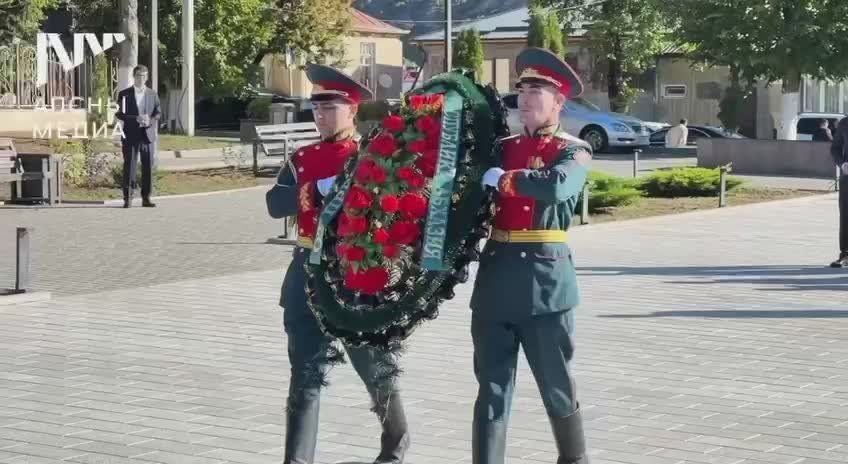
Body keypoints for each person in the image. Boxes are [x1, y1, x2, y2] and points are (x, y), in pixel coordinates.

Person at [265, 64, 410, 464]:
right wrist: (315, 189)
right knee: (305, 375)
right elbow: (274, 203)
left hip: (353, 273)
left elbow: (390, 214)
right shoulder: (304, 157)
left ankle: (396, 439)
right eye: (317, 107)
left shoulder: (371, 159)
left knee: (372, 364)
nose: (321, 115)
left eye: (331, 108)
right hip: (305, 270)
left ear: (352, 110)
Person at [473, 47, 592, 464]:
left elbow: (557, 186)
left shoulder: (573, 150)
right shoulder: (500, 147)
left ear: (559, 101)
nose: (525, 98)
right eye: (522, 90)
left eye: (537, 90)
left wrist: (505, 180)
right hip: (495, 278)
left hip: (545, 285)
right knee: (491, 387)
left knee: (555, 382)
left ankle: (574, 458)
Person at [115, 65, 160, 208]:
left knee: (147, 167)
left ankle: (146, 198)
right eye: (139, 75)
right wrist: (135, 118)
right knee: (130, 167)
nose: (142, 78)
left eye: (145, 75)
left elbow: (158, 113)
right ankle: (127, 198)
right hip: (130, 134)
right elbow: (119, 113)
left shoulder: (152, 94)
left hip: (147, 135)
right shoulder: (124, 94)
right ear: (134, 76)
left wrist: (150, 120)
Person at [829, 117, 848, 268]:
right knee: (846, 215)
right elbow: (835, 148)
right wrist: (842, 164)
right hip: (847, 177)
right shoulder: (844, 123)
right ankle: (845, 254)